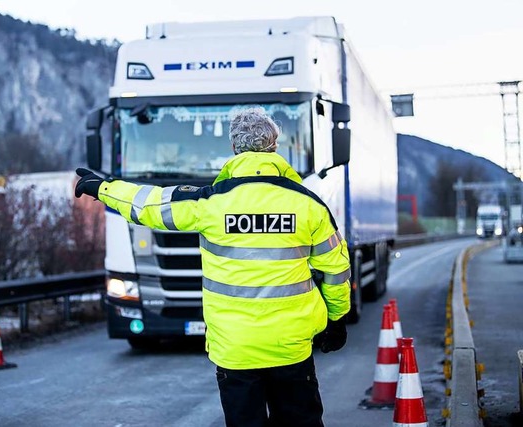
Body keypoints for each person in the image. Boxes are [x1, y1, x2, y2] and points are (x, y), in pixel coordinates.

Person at [75, 107, 351, 427]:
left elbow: (149, 204)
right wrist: (336, 318)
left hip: (234, 349)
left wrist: (103, 188)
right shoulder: (308, 205)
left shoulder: (210, 203)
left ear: (234, 149)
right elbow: (336, 271)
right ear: (275, 146)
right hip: (291, 348)